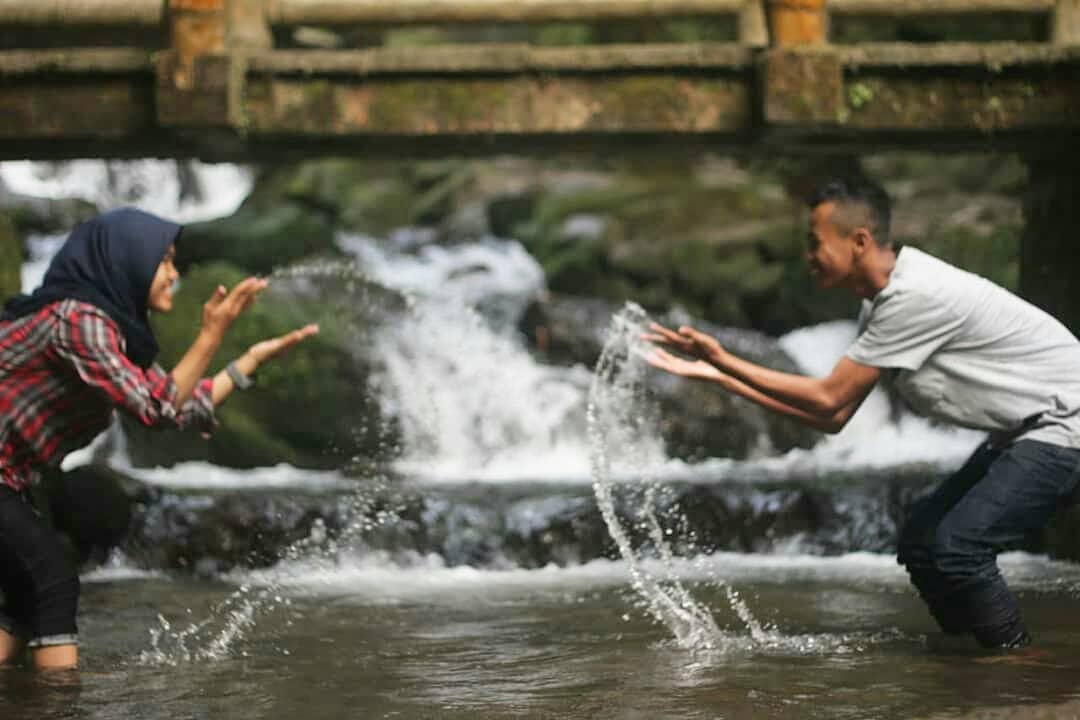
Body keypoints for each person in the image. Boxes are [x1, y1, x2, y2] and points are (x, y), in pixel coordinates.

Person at [644, 176, 1080, 650]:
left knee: (957, 547)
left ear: (859, 242)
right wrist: (722, 380)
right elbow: (833, 418)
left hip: (1064, 424)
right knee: (921, 541)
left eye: (815, 243)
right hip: (1022, 431)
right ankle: (970, 655)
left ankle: (1016, 666)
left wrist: (720, 358)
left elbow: (828, 398)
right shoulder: (880, 306)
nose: (808, 257)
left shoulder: (913, 295)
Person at [0, 207, 319, 670]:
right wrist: (211, 333)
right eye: (165, 261)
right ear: (126, 260)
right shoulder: (78, 320)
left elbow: (177, 408)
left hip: (11, 480)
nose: (175, 273)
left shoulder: (115, 335)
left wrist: (247, 361)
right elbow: (156, 408)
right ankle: (61, 705)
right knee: (52, 578)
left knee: (28, 596)